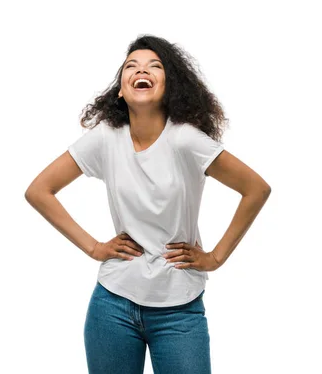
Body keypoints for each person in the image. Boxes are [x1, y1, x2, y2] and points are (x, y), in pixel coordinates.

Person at [24, 34, 271, 374]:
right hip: (112, 304)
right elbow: (39, 190)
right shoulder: (106, 138)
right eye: (132, 66)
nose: (142, 70)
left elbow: (255, 189)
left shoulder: (185, 140)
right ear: (122, 90)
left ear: (170, 88)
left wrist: (214, 257)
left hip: (179, 309)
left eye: (155, 66)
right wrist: (95, 247)